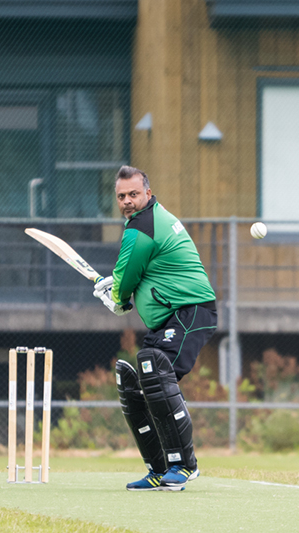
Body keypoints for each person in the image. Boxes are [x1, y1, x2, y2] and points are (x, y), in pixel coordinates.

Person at [93, 166, 218, 492]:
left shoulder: (142, 226)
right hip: (171, 317)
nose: (127, 201)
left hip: (190, 311)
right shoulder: (149, 221)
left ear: (147, 193)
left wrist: (116, 298)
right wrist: (118, 288)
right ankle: (160, 469)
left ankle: (184, 466)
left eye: (133, 194)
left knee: (153, 366)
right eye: (121, 196)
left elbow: (126, 279)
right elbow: (135, 273)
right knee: (139, 386)